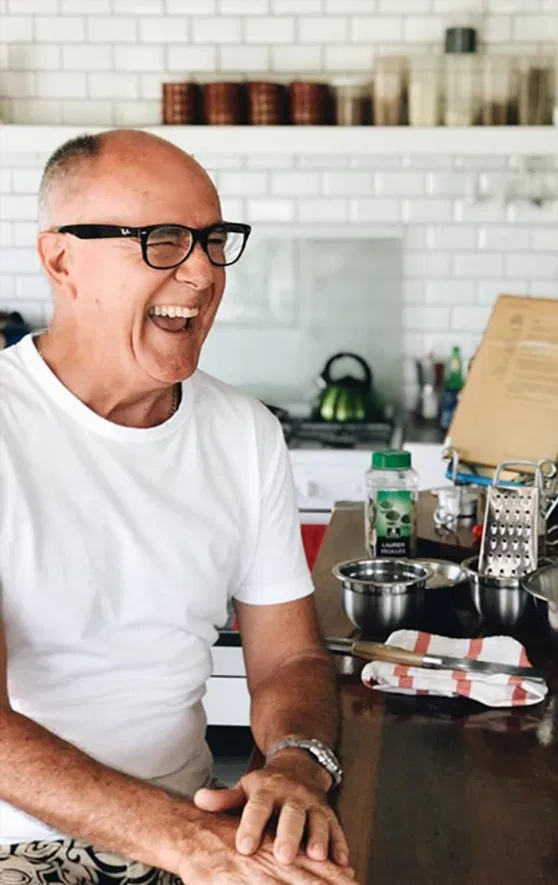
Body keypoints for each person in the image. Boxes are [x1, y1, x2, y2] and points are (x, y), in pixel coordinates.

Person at [0, 130, 355, 885]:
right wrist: (191, 844)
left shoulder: (244, 433)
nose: (201, 271)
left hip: (191, 820)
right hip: (20, 843)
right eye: (160, 240)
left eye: (212, 239)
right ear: (61, 258)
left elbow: (289, 657)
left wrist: (296, 764)